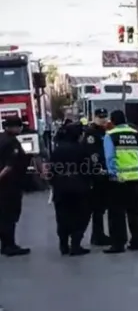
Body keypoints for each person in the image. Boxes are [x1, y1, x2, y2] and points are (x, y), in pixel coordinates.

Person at [103, 110, 138, 253]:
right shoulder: (136, 135)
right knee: (134, 212)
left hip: (118, 180)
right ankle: (137, 241)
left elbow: (110, 158)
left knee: (117, 213)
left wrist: (113, 173)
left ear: (113, 121)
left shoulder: (110, 136)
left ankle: (118, 244)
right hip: (135, 178)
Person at [48, 123, 91, 256]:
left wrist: (53, 182)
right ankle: (76, 244)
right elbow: (87, 168)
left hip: (60, 187)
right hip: (78, 186)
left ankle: (63, 244)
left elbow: (52, 169)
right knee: (80, 215)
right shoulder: (81, 149)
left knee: (62, 216)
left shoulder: (57, 150)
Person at [0, 116, 31, 256]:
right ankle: (9, 245)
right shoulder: (12, 142)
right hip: (10, 185)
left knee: (3, 215)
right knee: (10, 216)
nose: (20, 129)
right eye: (19, 126)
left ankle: (5, 244)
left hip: (5, 186)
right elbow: (9, 166)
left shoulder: (1, 138)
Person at [82, 108, 111, 246]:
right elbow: (92, 154)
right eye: (100, 117)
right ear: (94, 117)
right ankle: (97, 236)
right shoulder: (91, 134)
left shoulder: (105, 132)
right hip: (96, 175)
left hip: (104, 173)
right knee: (97, 208)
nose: (103, 119)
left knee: (101, 207)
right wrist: (98, 169)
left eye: (105, 117)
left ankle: (98, 234)